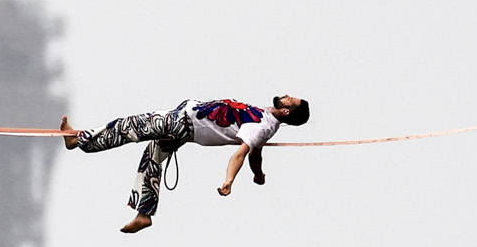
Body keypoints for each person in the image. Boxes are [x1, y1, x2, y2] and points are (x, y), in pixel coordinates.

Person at [59, 95, 310, 232]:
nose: (286, 96)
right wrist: (259, 175)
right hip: (185, 120)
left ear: (287, 112)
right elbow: (256, 154)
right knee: (152, 159)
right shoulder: (266, 119)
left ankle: (79, 140)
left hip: (182, 124)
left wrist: (228, 181)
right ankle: (144, 214)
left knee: (129, 125)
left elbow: (242, 154)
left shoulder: (263, 126)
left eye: (290, 100)